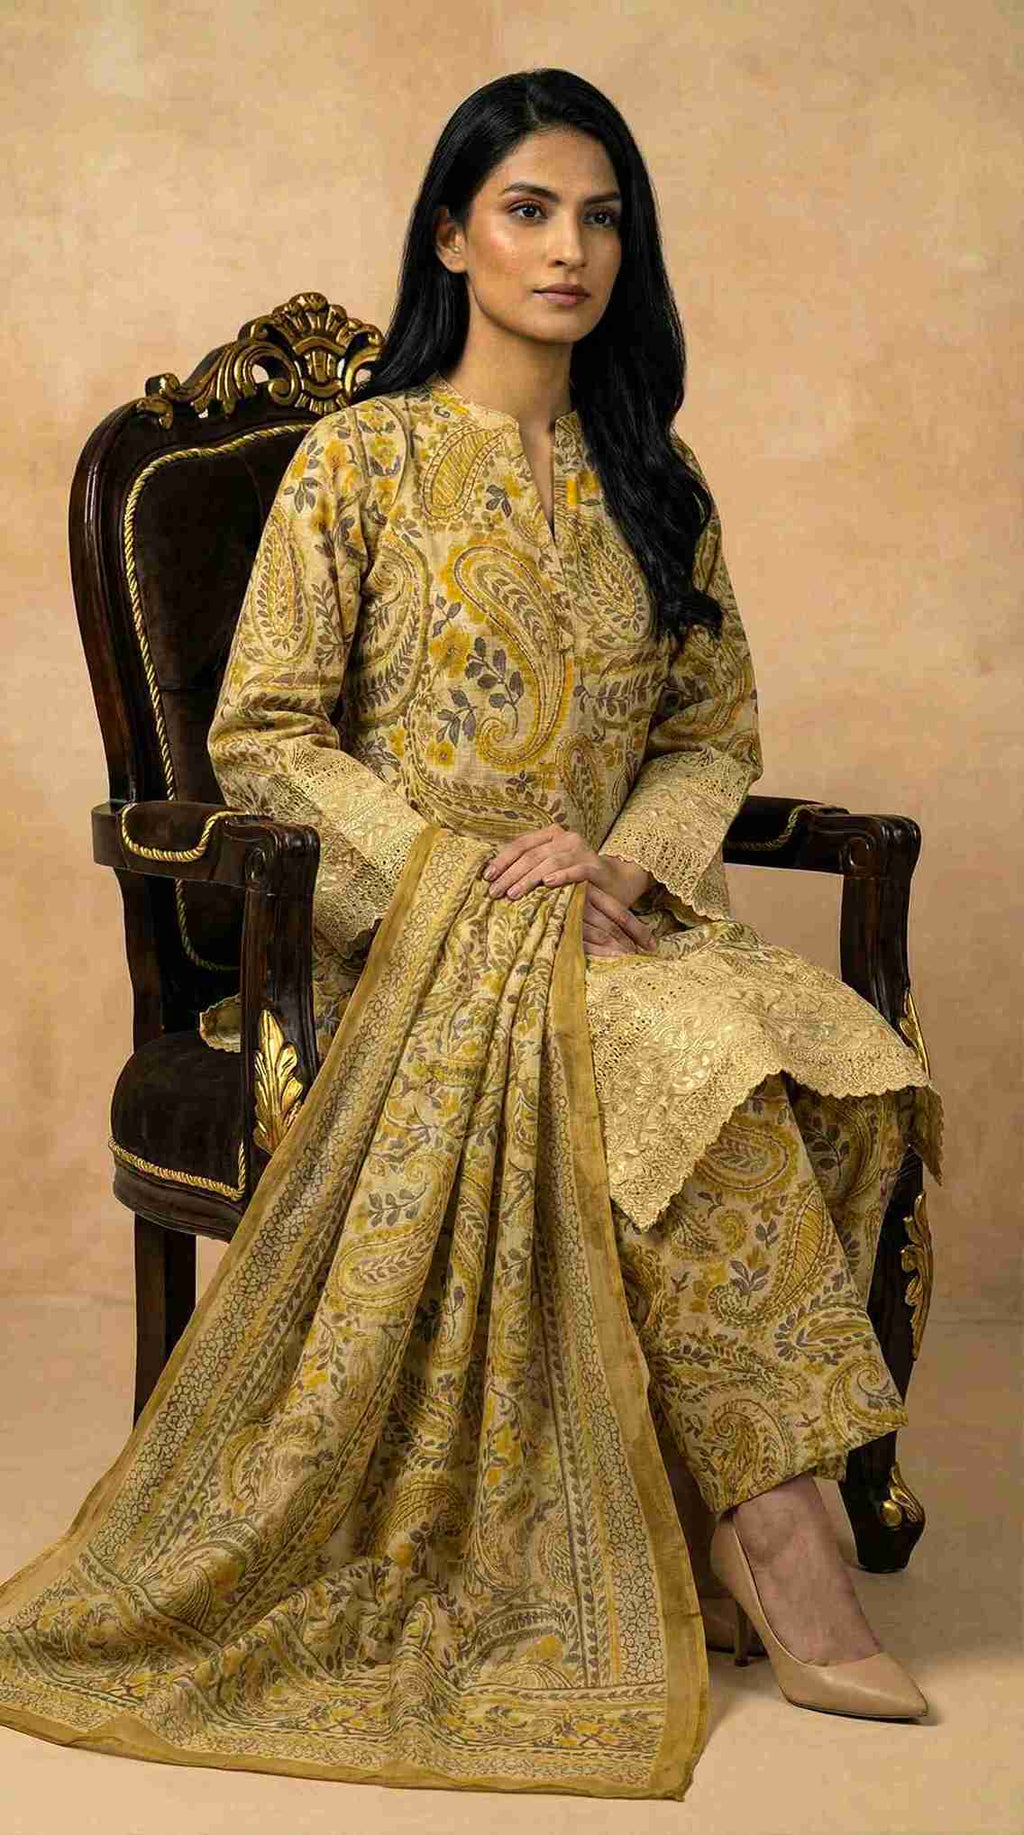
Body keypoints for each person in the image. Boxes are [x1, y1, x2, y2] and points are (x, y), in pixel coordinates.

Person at [0, 68, 943, 1800]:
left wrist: (628, 871)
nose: (568, 248)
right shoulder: (358, 460)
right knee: (697, 1070)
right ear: (452, 233)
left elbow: (711, 735)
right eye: (527, 209)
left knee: (849, 1067)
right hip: (413, 936)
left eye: (600, 216)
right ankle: (792, 1548)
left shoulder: (656, 479)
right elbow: (266, 735)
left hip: (623, 915)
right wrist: (460, 881)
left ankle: (685, 1497)